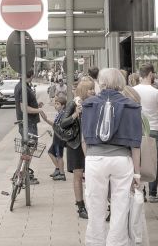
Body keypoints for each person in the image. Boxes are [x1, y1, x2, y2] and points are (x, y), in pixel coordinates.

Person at [81, 68, 142, 245]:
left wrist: (89, 161)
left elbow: (84, 140)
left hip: (95, 159)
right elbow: (136, 144)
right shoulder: (131, 105)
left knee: (95, 207)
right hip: (122, 160)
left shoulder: (88, 104)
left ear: (101, 82)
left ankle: (95, 242)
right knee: (120, 207)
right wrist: (137, 174)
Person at [133, 64, 158, 203]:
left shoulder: (133, 91)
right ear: (151, 74)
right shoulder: (157, 92)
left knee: (138, 161)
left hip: (137, 130)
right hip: (154, 129)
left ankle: (141, 189)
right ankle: (153, 193)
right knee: (154, 162)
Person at [63, 78, 94, 220]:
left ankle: (94, 204)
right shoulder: (73, 103)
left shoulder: (93, 103)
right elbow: (63, 123)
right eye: (90, 89)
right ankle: (80, 206)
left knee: (92, 175)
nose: (93, 91)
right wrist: (75, 114)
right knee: (78, 174)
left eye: (93, 88)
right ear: (83, 91)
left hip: (89, 143)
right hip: (75, 145)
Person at [14, 69, 44, 184]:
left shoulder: (21, 85)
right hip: (28, 123)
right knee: (29, 150)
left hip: (27, 122)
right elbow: (24, 108)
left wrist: (36, 105)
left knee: (26, 150)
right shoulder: (23, 88)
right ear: (31, 76)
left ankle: (19, 174)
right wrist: (39, 110)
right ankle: (23, 176)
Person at [39, 95, 67, 181]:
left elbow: (56, 126)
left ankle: (62, 174)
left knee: (59, 156)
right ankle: (58, 169)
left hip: (59, 138)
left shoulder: (63, 114)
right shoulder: (59, 113)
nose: (56, 106)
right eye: (55, 104)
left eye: (58, 104)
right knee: (51, 152)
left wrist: (46, 120)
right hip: (56, 137)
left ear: (63, 105)